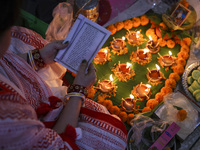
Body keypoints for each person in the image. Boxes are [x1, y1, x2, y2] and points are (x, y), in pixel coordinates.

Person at [0, 0, 127, 149]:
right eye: (7, 28)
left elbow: (6, 64)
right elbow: (58, 145)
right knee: (114, 138)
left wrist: (37, 58)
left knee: (29, 40)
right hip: (35, 119)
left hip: (19, 87)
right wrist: (78, 92)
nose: (10, 31)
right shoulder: (8, 121)